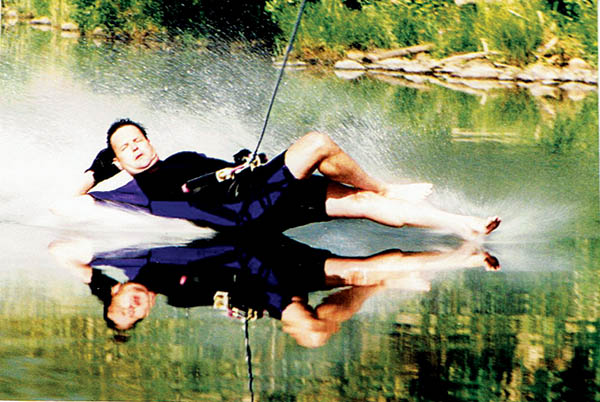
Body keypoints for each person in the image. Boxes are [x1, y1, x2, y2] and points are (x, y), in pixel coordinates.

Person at [64, 118, 500, 239]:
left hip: (261, 195)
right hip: (244, 212)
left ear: (149, 139)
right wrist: (95, 170)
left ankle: (463, 225)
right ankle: (384, 185)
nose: (136, 147)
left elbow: (224, 165)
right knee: (315, 143)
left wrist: (245, 162)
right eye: (126, 147)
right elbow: (67, 204)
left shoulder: (183, 156)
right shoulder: (130, 192)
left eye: (138, 138)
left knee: (359, 204)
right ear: (118, 161)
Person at [49, 234, 500, 347]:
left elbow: (61, 251)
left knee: (360, 271)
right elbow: (222, 299)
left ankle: (461, 256)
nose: (136, 306)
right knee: (314, 334)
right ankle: (374, 288)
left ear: (114, 293)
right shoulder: (179, 298)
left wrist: (92, 277)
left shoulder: (131, 259)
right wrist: (249, 311)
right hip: (267, 293)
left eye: (125, 307)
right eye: (135, 315)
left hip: (271, 256)